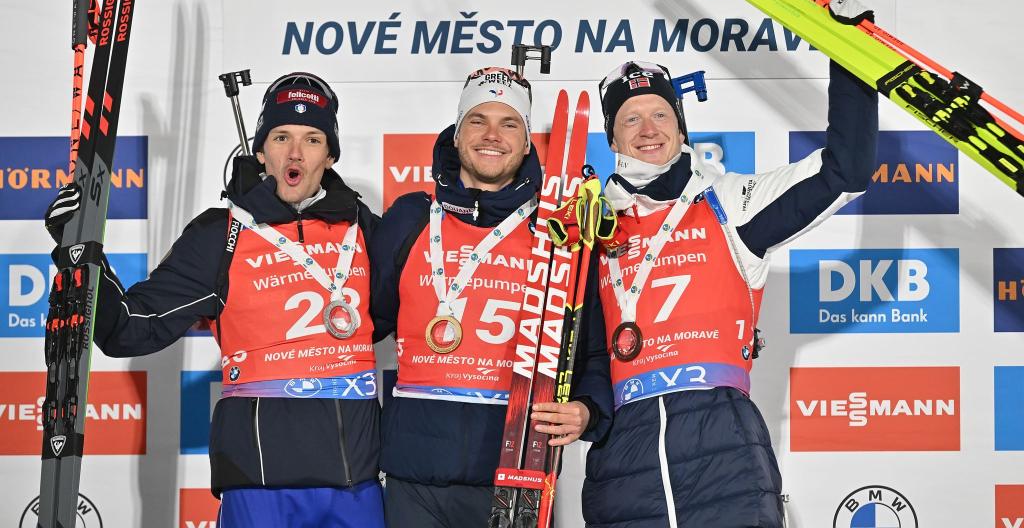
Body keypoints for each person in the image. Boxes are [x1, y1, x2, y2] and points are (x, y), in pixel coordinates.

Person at [45, 72, 384, 528]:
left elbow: (413, 315)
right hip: (257, 479)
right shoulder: (219, 234)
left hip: (354, 478)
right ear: (261, 150)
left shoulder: (366, 231)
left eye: (313, 138)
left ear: (330, 154)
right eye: (281, 137)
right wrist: (82, 258)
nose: (296, 152)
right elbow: (128, 328)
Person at [580, 60, 878, 528]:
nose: (647, 130)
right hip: (623, 454)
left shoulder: (730, 202)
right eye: (630, 118)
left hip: (722, 443)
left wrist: (850, 60)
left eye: (660, 114)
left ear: (681, 129)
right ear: (612, 139)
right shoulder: (588, 225)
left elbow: (845, 172)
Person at [370, 66, 606, 528]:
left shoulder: (557, 229)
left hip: (518, 470)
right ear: (457, 135)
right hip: (413, 473)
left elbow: (591, 347)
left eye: (509, 123)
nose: (492, 135)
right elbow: (361, 325)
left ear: (525, 142)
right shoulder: (411, 218)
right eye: (478, 120)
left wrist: (588, 410)